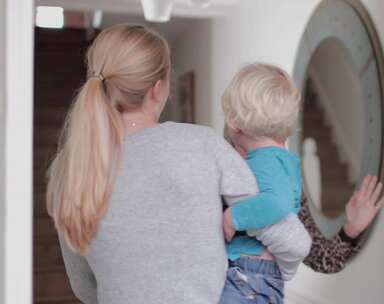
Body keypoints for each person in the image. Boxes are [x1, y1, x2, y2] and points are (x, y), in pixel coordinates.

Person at [46, 24, 309, 304]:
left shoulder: (72, 165)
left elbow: (85, 287)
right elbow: (294, 241)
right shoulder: (203, 145)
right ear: (159, 89)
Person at [218, 63, 311, 303]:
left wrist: (233, 216)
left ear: (234, 123)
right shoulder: (281, 159)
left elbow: (276, 203)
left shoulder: (264, 159)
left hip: (249, 271)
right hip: (257, 273)